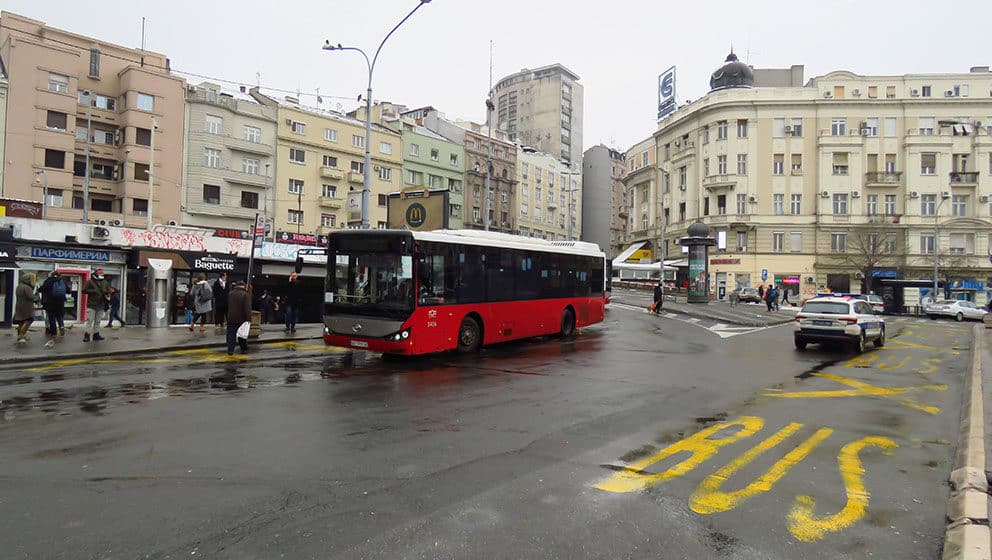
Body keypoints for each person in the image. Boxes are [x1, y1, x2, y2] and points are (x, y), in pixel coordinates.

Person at [39, 271, 68, 347]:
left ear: (51, 275)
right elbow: (68, 290)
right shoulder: (62, 281)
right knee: (59, 316)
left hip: (50, 303)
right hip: (60, 303)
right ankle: (61, 327)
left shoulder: (48, 281)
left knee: (51, 318)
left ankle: (54, 332)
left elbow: (41, 289)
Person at [82, 269, 111, 342]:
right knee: (90, 321)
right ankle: (87, 335)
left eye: (102, 275)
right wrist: (93, 291)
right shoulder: (90, 282)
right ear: (95, 274)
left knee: (98, 321)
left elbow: (108, 290)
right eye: (100, 274)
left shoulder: (105, 282)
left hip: (101, 305)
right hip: (91, 305)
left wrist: (107, 292)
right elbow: (84, 290)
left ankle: (96, 334)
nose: (102, 276)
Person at [226, 280, 252, 355]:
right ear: (243, 286)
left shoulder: (230, 294)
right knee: (242, 334)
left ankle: (230, 349)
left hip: (231, 317)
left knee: (231, 334)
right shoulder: (245, 294)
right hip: (242, 318)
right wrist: (248, 319)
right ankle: (243, 348)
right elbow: (247, 308)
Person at [13, 272, 37, 345]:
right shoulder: (27, 287)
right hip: (26, 307)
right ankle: (21, 336)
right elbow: (31, 297)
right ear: (29, 280)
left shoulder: (19, 286)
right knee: (29, 320)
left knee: (21, 322)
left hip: (19, 305)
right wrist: (35, 296)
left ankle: (20, 335)